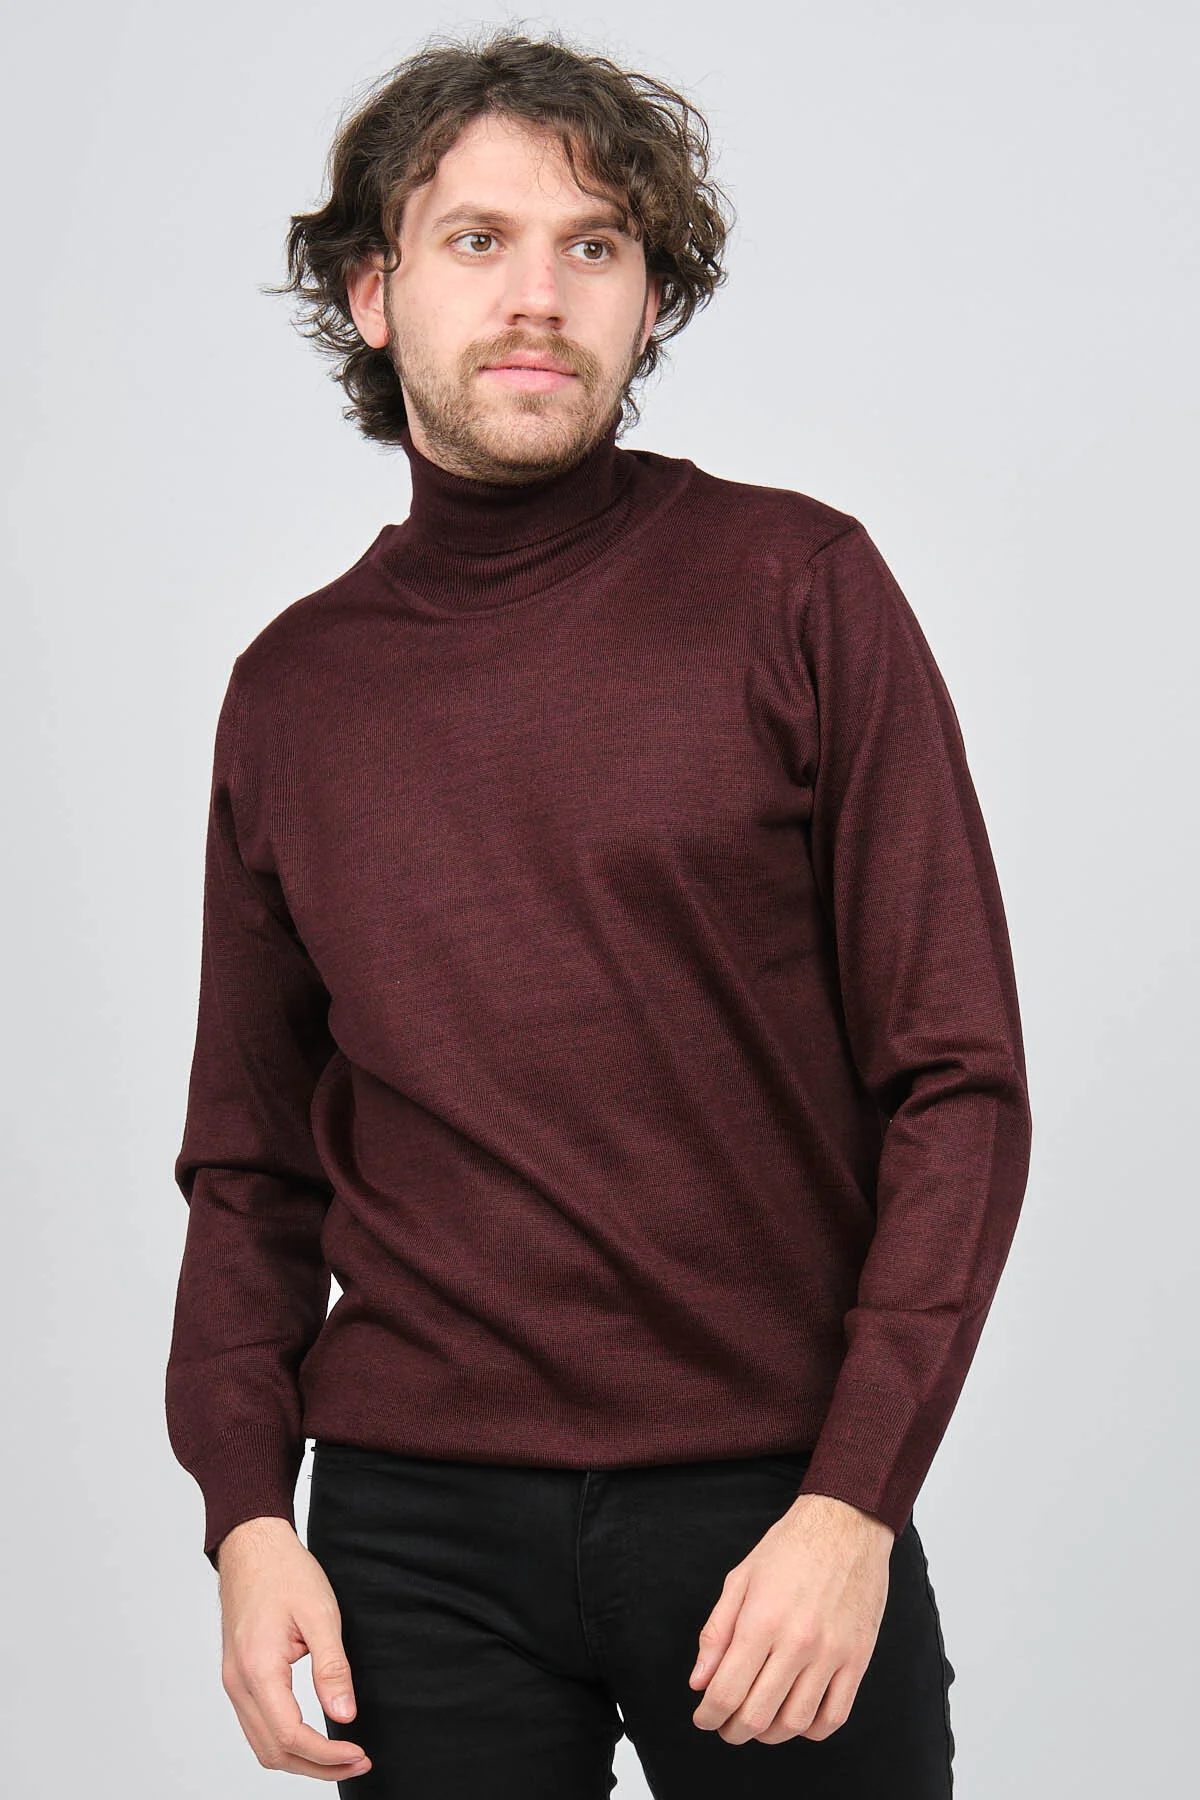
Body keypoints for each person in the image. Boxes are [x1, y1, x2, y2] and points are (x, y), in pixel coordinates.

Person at [165, 26, 1032, 1798]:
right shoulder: (293, 693)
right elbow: (250, 1162)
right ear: (373, 291)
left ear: (651, 298)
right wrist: (248, 1517)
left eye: (596, 244)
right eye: (478, 240)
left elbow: (959, 1082)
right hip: (410, 1535)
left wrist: (856, 1498)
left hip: (770, 1508)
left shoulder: (799, 589)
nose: (539, 297)